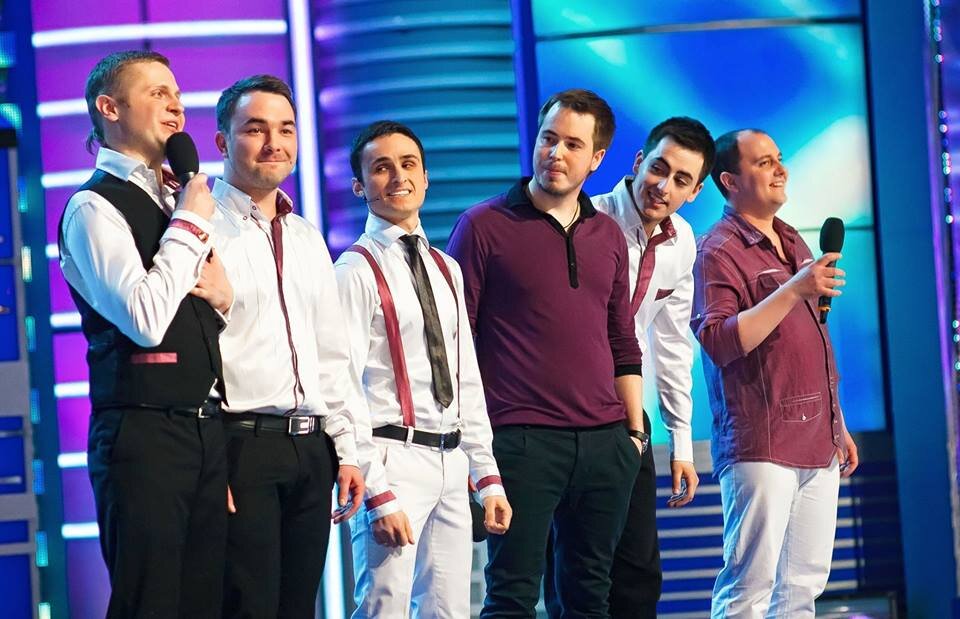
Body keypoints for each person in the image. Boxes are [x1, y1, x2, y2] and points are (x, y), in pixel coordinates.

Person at [447, 89, 645, 618]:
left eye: (572, 144)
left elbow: (622, 338)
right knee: (511, 597)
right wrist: (474, 447)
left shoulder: (608, 235)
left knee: (590, 599)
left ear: (596, 159)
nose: (555, 153)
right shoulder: (482, 226)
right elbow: (456, 341)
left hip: (606, 444)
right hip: (520, 442)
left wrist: (633, 436)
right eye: (548, 138)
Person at [59, 50, 232, 617]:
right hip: (143, 433)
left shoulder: (175, 196)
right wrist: (190, 223)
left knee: (204, 603)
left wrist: (224, 299)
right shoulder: (92, 206)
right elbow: (145, 318)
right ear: (110, 109)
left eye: (177, 94)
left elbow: (196, 318)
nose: (176, 105)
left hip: (204, 430)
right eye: (157, 93)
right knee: (150, 603)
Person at [335, 120, 511, 618]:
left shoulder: (446, 267)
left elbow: (465, 376)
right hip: (392, 456)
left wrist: (487, 474)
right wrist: (375, 488)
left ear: (426, 177)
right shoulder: (353, 270)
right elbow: (340, 386)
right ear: (359, 186)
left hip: (451, 460)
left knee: (449, 610)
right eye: (381, 167)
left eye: (408, 164)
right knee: (384, 607)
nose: (398, 176)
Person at [209, 74, 365, 618]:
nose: (274, 142)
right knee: (246, 606)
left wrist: (346, 449)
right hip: (240, 446)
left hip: (310, 450)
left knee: (299, 607)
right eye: (255, 129)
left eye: (286, 129)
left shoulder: (306, 236)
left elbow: (331, 355)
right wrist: (210, 461)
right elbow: (193, 355)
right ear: (223, 141)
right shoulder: (199, 228)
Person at [691, 129, 860, 618]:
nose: (780, 169)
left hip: (817, 439)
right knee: (750, 587)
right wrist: (792, 289)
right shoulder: (718, 249)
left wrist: (838, 422)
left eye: (779, 158)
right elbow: (719, 340)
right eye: (763, 162)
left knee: (802, 587)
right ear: (729, 181)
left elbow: (809, 343)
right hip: (762, 442)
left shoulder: (790, 238)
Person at [591, 116, 715, 618]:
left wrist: (680, 444)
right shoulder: (587, 219)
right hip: (567, 411)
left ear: (696, 191)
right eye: (659, 169)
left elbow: (672, 344)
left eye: (681, 180)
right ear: (639, 161)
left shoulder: (683, 240)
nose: (663, 186)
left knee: (639, 571)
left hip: (629, 416)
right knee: (579, 571)